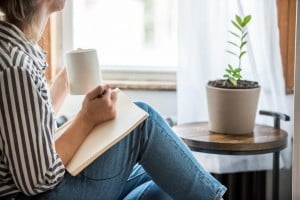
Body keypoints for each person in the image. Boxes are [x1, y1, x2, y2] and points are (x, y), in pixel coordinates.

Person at [0, 0, 226, 199]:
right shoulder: (15, 67)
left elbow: (28, 136)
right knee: (142, 121)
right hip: (36, 195)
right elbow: (39, 178)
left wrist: (62, 85)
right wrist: (86, 118)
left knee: (168, 174)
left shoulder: (11, 51)